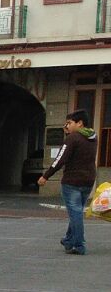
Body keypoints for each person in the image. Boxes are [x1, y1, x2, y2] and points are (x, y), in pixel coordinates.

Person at [38, 109, 97, 255]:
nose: (67, 125)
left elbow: (60, 159)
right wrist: (68, 134)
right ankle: (69, 239)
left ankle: (79, 244)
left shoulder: (73, 138)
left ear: (79, 123)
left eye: (69, 123)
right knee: (76, 211)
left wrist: (45, 176)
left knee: (75, 212)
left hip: (72, 180)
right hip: (88, 180)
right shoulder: (93, 137)